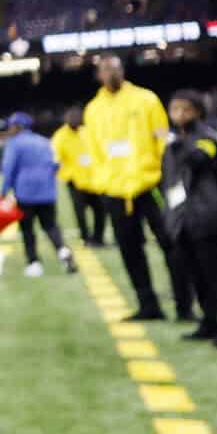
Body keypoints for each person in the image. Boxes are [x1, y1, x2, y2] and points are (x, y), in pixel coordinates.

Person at [84, 55, 191, 325]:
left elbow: (162, 140)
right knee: (130, 250)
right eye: (105, 69)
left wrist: (165, 178)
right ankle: (148, 304)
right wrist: (102, 184)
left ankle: (184, 305)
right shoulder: (93, 110)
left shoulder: (146, 100)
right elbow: (95, 152)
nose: (110, 73)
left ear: (123, 70)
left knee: (172, 244)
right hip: (115, 192)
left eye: (115, 67)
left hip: (149, 185)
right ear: (98, 74)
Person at [162, 92, 217, 347]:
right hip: (183, 218)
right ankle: (210, 322)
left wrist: (176, 144)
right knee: (197, 275)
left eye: (184, 109)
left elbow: (200, 159)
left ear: (197, 111)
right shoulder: (175, 140)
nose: (178, 115)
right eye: (174, 109)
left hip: (206, 215)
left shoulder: (207, 138)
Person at [0, 112, 71, 276]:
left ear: (19, 126)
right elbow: (56, 165)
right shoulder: (45, 142)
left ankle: (34, 263)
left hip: (25, 194)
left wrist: (2, 193)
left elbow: (8, 170)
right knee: (51, 226)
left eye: (12, 125)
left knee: (28, 229)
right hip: (47, 193)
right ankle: (63, 252)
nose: (9, 128)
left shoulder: (14, 144)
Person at [52, 105, 103, 245]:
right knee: (80, 212)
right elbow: (55, 158)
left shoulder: (87, 132)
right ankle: (85, 238)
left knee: (100, 210)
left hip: (94, 179)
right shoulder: (60, 136)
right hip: (75, 181)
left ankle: (98, 238)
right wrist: (66, 175)